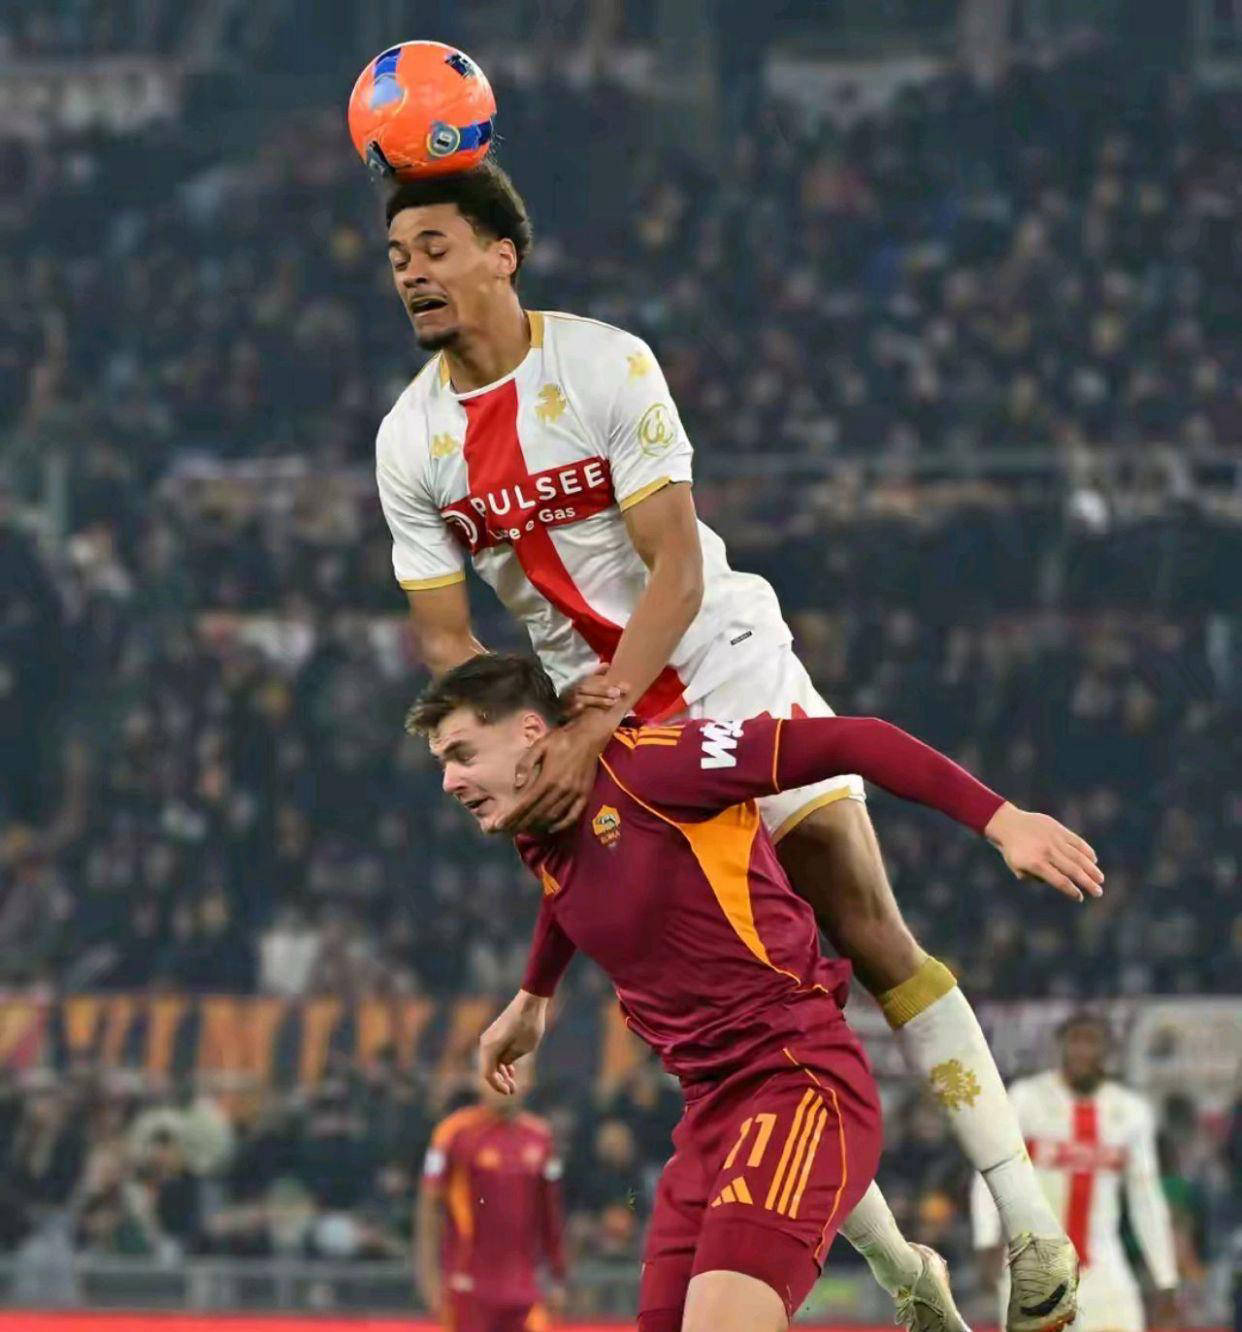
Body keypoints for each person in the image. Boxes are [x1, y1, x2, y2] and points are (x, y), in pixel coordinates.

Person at [373, 157, 1091, 1332]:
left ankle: (1029, 1231)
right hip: (586, 714)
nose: (412, 273)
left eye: (435, 247)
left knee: (862, 927)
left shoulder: (605, 365)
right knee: (717, 999)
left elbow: (677, 564)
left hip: (713, 662)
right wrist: (515, 737)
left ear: (504, 254)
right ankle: (902, 1270)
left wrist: (600, 717)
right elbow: (447, 638)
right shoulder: (410, 440)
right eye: (399, 257)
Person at [405, 652, 1105, 1332]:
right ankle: (908, 1273)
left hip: (796, 1080)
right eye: (441, 763)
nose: (447, 782)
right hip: (707, 1117)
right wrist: (533, 996)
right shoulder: (538, 829)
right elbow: (568, 893)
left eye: (462, 754)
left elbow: (856, 739)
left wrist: (1002, 821)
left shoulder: (654, 766)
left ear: (532, 731)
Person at [971, 1012, 1179, 1332]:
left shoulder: (1131, 1112)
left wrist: (1165, 1277)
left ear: (1108, 1051)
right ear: (1060, 1047)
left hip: (1104, 1265)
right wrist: (986, 1239)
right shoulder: (1027, 1099)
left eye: (1091, 1042)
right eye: (1074, 1041)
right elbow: (992, 1169)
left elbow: (1146, 1198)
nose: (1082, 1051)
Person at [415, 1065, 566, 1332]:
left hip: (525, 1290)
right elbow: (429, 1208)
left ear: (529, 1081)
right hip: (468, 1289)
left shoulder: (541, 1138)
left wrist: (557, 1276)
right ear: (478, 1079)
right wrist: (428, 1278)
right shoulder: (452, 1134)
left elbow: (550, 1214)